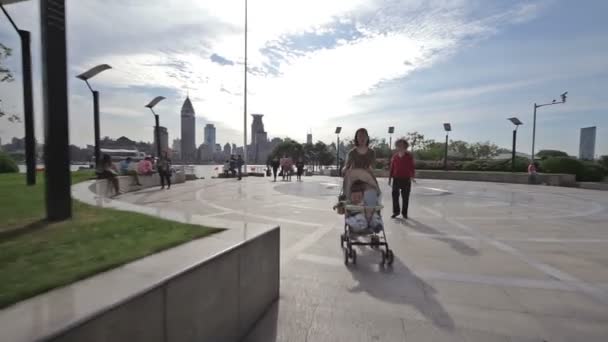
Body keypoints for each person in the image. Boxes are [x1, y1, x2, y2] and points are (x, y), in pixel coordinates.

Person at [388, 139, 416, 219]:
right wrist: (390, 179)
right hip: (396, 179)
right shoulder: (395, 157)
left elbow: (412, 167)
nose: (400, 147)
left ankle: (404, 213)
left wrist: (412, 176)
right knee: (395, 196)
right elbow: (392, 168)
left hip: (406, 179)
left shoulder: (409, 157)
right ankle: (396, 212)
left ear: (405, 146)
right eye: (398, 145)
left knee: (405, 197)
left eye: (402, 145)